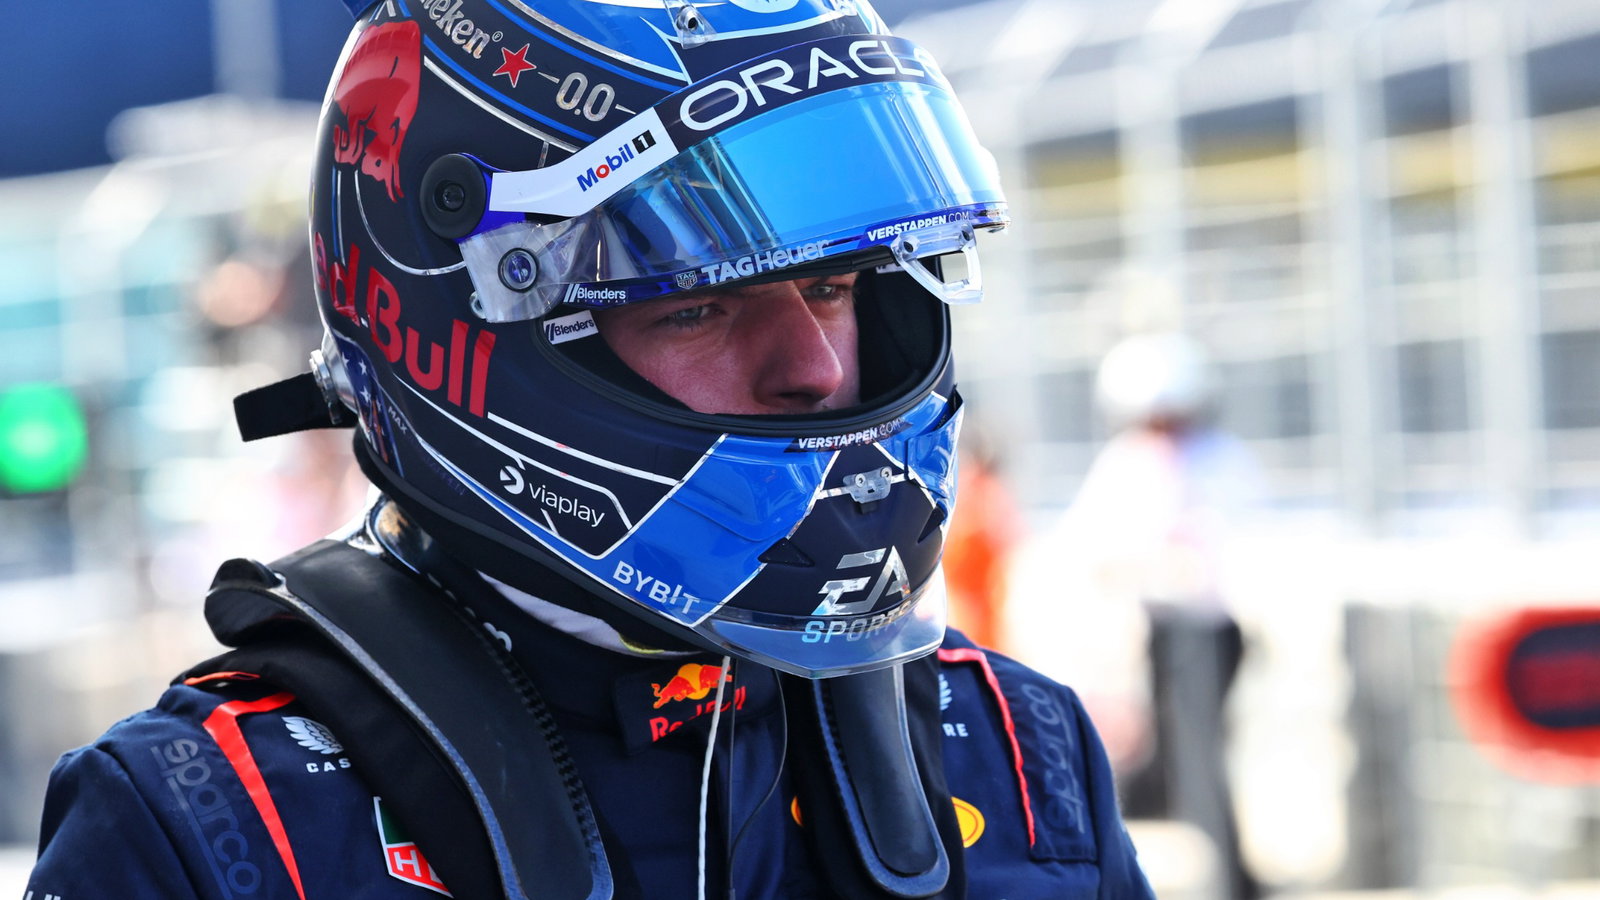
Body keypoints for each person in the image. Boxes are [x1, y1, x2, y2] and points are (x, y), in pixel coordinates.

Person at [25, 2, 1155, 898]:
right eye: (696, 308)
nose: (817, 368)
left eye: (833, 286)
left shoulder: (1016, 750)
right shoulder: (203, 822)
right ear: (460, 337)